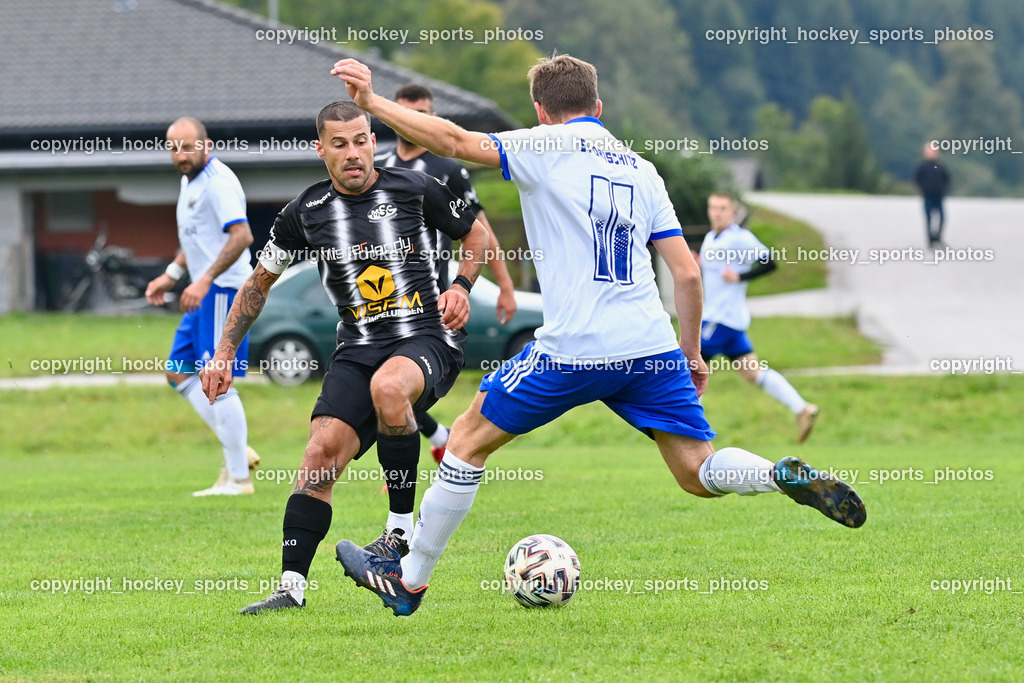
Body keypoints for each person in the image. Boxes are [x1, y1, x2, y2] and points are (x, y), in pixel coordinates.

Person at [329, 54, 867, 617]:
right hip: (651, 346)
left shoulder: (541, 145)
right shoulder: (643, 170)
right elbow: (686, 273)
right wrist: (690, 352)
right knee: (697, 471)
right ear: (599, 106)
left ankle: (409, 579)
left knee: (465, 439)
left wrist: (372, 103)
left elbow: (454, 140)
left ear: (541, 111)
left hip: (575, 349)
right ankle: (774, 476)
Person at [200, 101, 488, 614]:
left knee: (389, 388)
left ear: (372, 142)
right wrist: (224, 352)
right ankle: (291, 587)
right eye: (339, 144)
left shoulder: (415, 188)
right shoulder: (304, 212)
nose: (352, 153)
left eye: (360, 141)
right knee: (319, 455)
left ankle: (399, 534)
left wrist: (462, 286)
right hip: (356, 348)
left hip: (427, 336)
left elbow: (476, 234)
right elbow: (259, 283)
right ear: (321, 150)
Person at [380, 83, 520, 465]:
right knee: (380, 384)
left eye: (423, 114)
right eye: (408, 113)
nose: (415, 121)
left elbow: (481, 231)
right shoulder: (379, 165)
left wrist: (506, 286)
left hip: (429, 299)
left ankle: (407, 463)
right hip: (380, 297)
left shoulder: (447, 169)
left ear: (433, 117)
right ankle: (436, 438)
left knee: (395, 385)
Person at [145, 117, 259, 497]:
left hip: (223, 290)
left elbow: (241, 236)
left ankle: (239, 478)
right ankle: (237, 450)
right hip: (204, 291)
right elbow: (197, 240)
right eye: (174, 148)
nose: (181, 155)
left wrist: (205, 279)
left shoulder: (218, 182)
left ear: (206, 145)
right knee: (178, 372)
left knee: (216, 380)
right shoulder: (189, 181)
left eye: (188, 146)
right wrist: (172, 274)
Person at [699, 192, 818, 443]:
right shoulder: (711, 237)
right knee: (752, 372)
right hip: (731, 322)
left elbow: (769, 263)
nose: (717, 213)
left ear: (733, 213)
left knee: (689, 366)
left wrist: (740, 277)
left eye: (722, 208)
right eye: (713, 208)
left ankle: (685, 429)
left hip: (719, 320)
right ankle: (802, 409)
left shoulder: (739, 238)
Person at [914, 143, 950, 248]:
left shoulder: (940, 166)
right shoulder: (922, 166)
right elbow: (917, 179)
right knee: (928, 219)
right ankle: (930, 240)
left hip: (939, 196)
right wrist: (923, 189)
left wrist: (942, 188)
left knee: (942, 217)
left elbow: (946, 178)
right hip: (928, 196)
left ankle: (938, 237)